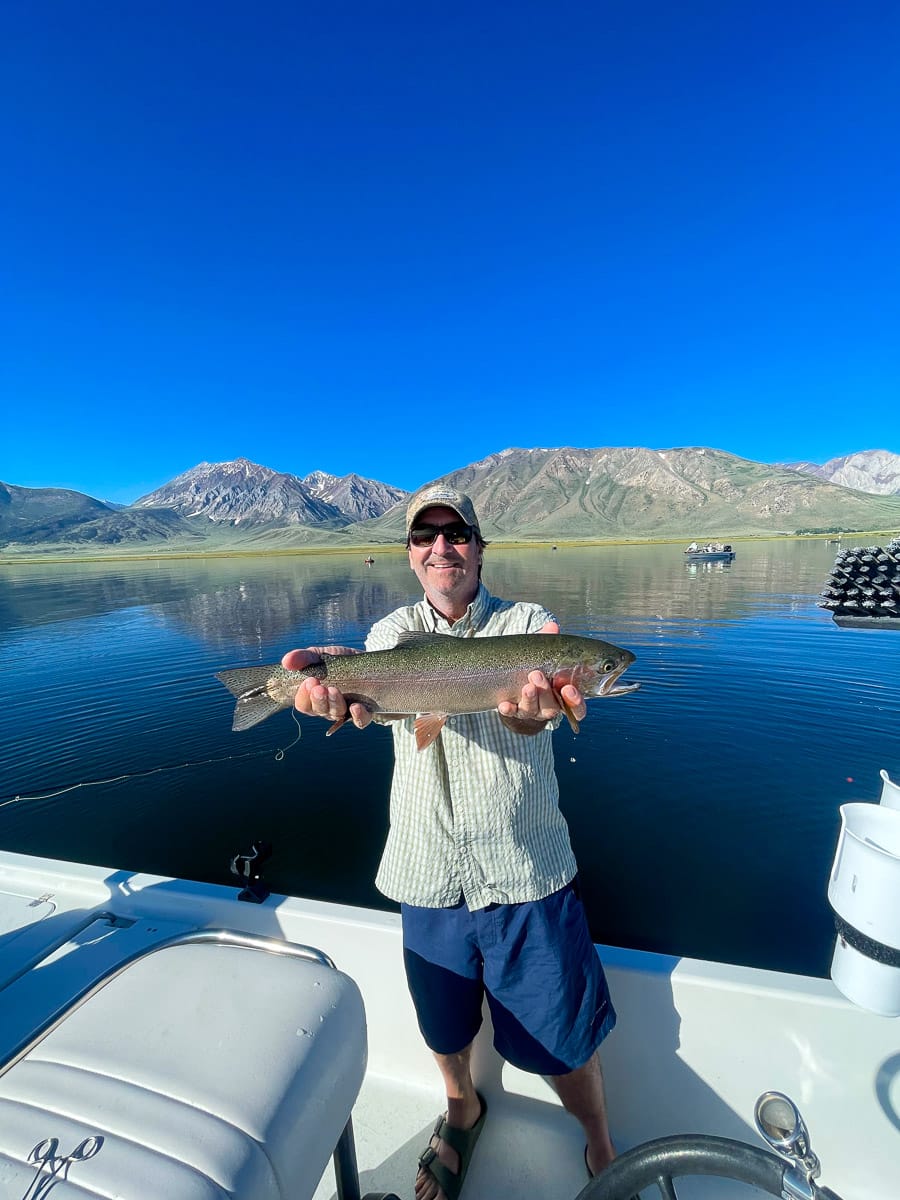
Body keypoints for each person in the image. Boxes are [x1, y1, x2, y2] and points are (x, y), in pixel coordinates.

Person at [282, 484, 620, 1200]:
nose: (442, 547)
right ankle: (461, 1107)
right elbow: (366, 691)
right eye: (425, 536)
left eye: (457, 533)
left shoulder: (530, 626)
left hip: (526, 873)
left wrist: (532, 715)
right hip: (426, 870)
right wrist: (326, 694)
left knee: (564, 1037)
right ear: (410, 554)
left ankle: (601, 1145)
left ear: (479, 546)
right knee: (444, 1026)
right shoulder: (388, 635)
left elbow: (537, 721)